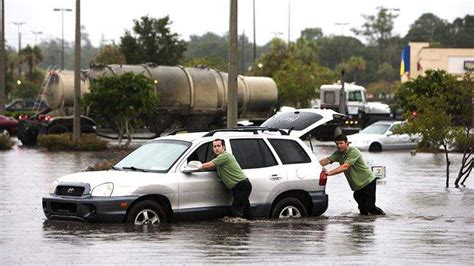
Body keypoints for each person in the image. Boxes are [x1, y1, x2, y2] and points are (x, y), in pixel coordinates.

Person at [319, 134, 385, 216]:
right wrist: (314, 165)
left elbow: (345, 166)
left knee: (370, 207)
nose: (339, 146)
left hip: (368, 181)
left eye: (341, 143)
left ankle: (382, 216)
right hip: (357, 185)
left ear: (347, 143)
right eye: (337, 144)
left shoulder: (354, 151)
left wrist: (329, 173)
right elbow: (327, 160)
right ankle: (363, 227)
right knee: (362, 209)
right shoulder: (338, 153)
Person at [201, 139, 253, 219]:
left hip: (242, 186)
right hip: (239, 187)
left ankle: (237, 230)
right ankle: (249, 228)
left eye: (219, 146)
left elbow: (208, 165)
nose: (216, 148)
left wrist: (196, 166)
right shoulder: (219, 159)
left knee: (235, 211)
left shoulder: (224, 156)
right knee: (246, 213)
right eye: (214, 146)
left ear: (223, 147)